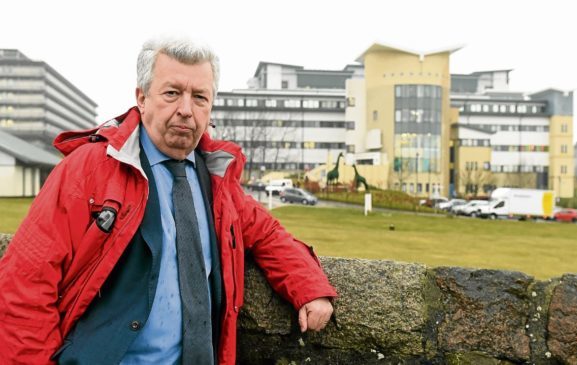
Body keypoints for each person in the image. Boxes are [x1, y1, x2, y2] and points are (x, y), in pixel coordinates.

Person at [0, 35, 337, 365]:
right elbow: (24, 286)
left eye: (200, 97)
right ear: (142, 98)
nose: (186, 110)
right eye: (172, 93)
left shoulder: (217, 181)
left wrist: (308, 286)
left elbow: (267, 235)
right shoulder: (88, 170)